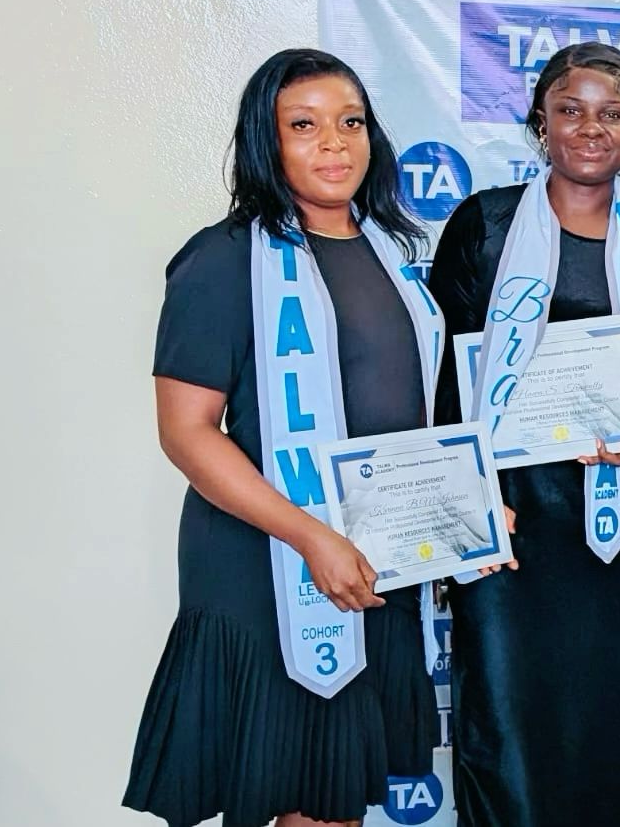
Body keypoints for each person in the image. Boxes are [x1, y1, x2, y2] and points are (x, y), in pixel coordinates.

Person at [124, 48, 468, 827]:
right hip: (263, 560)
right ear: (265, 143)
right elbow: (186, 433)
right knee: (288, 800)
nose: (335, 144)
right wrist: (310, 535)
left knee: (335, 800)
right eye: (304, 126)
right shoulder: (222, 259)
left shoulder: (397, 257)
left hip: (371, 554)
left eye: (351, 123)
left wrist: (463, 510)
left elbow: (408, 415)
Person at [428, 41, 620, 827]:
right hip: (510, 527)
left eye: (613, 113)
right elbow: (442, 380)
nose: (591, 128)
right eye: (570, 109)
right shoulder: (486, 226)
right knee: (506, 725)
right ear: (540, 123)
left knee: (613, 728)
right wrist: (460, 506)